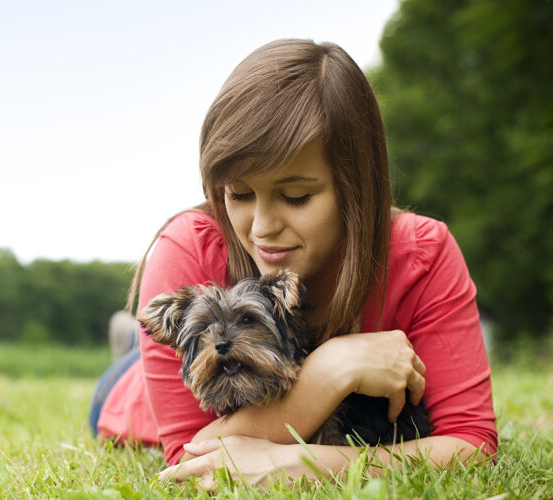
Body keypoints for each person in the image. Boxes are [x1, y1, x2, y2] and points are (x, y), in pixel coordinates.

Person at [88, 39, 497, 490]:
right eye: (239, 194)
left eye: (296, 196)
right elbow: (189, 460)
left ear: (356, 185)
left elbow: (472, 445)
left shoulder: (423, 252)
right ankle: (134, 351)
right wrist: (331, 368)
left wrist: (307, 464)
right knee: (158, 361)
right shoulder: (189, 247)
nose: (262, 227)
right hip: (129, 400)